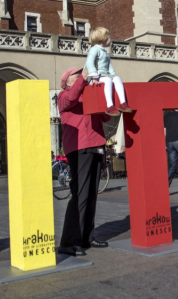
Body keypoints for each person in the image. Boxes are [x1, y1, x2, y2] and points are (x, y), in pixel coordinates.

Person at [57, 66, 110, 257]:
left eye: (81, 75)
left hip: (96, 145)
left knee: (92, 195)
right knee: (79, 195)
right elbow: (71, 98)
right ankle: (68, 242)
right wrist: (84, 80)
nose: (81, 77)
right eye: (76, 76)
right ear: (68, 82)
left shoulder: (87, 94)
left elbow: (105, 115)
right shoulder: (64, 96)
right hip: (79, 148)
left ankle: (87, 237)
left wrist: (99, 92)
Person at [85, 26, 131, 116]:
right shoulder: (94, 49)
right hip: (96, 76)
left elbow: (109, 66)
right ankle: (110, 106)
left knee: (117, 78)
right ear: (103, 38)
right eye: (109, 37)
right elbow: (89, 63)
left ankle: (123, 103)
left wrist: (113, 75)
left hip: (105, 75)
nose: (110, 39)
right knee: (108, 80)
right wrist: (94, 77)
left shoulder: (105, 52)